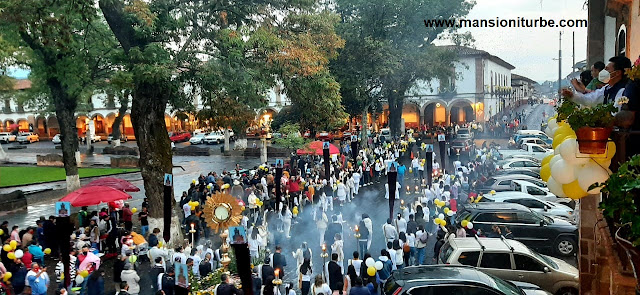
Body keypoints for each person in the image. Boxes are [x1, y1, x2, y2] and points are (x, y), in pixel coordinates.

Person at [563, 56, 632, 108]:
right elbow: (590, 99)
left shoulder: (624, 90)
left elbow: (617, 111)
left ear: (617, 73)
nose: (603, 72)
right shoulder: (607, 88)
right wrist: (572, 95)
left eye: (607, 69)